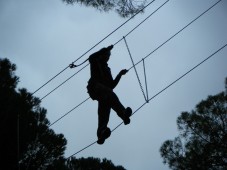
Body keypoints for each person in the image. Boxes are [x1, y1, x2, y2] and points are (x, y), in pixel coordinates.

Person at [87, 45, 132, 144]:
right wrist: (105, 49)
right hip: (95, 88)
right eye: (107, 55)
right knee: (109, 94)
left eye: (109, 56)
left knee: (105, 106)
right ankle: (123, 113)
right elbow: (91, 57)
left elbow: (112, 85)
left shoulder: (107, 69)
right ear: (102, 55)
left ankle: (101, 132)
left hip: (105, 92)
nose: (108, 58)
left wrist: (120, 74)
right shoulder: (96, 61)